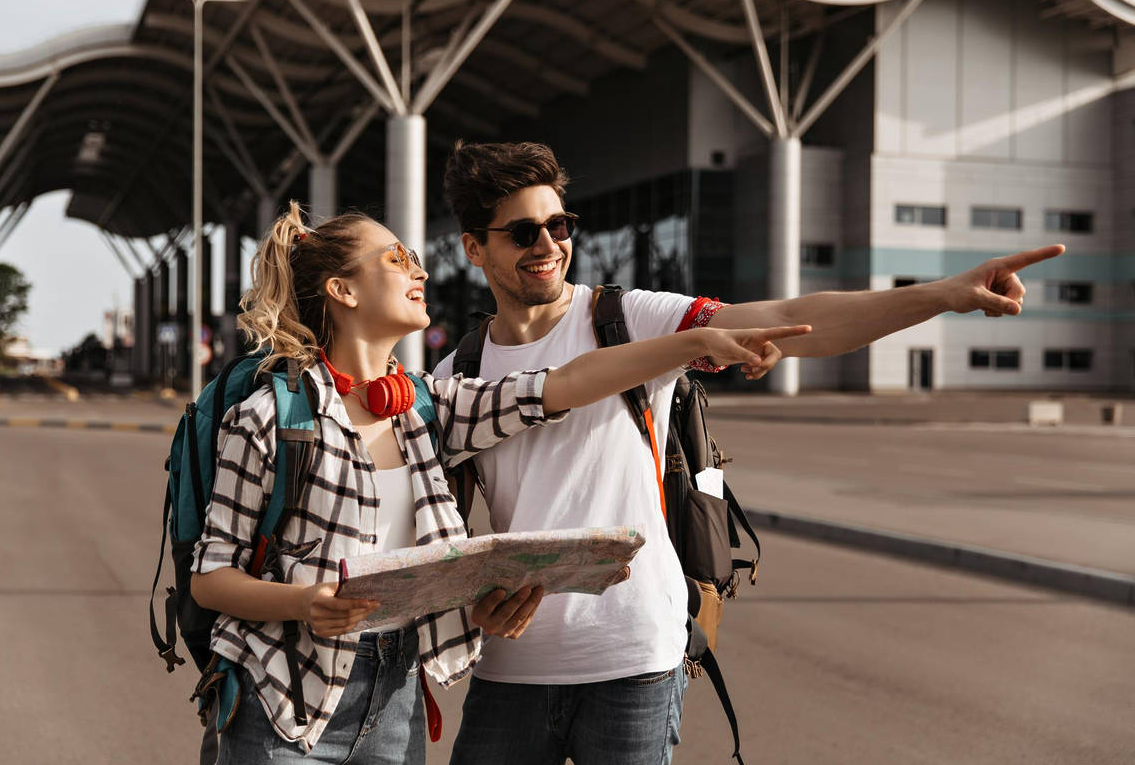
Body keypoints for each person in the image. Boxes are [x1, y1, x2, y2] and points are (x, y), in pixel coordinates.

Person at [433, 140, 1066, 765]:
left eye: (559, 225)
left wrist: (944, 294)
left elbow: (791, 317)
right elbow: (437, 532)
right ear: (474, 248)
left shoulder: (627, 319)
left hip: (634, 658)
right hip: (510, 665)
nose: (548, 246)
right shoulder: (456, 373)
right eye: (523, 233)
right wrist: (472, 601)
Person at [190, 201, 811, 765]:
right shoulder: (270, 419)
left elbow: (565, 383)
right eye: (397, 258)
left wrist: (692, 341)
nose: (420, 270)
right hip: (285, 698)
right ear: (342, 289)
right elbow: (211, 576)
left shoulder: (427, 408)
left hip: (395, 700)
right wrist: (304, 603)